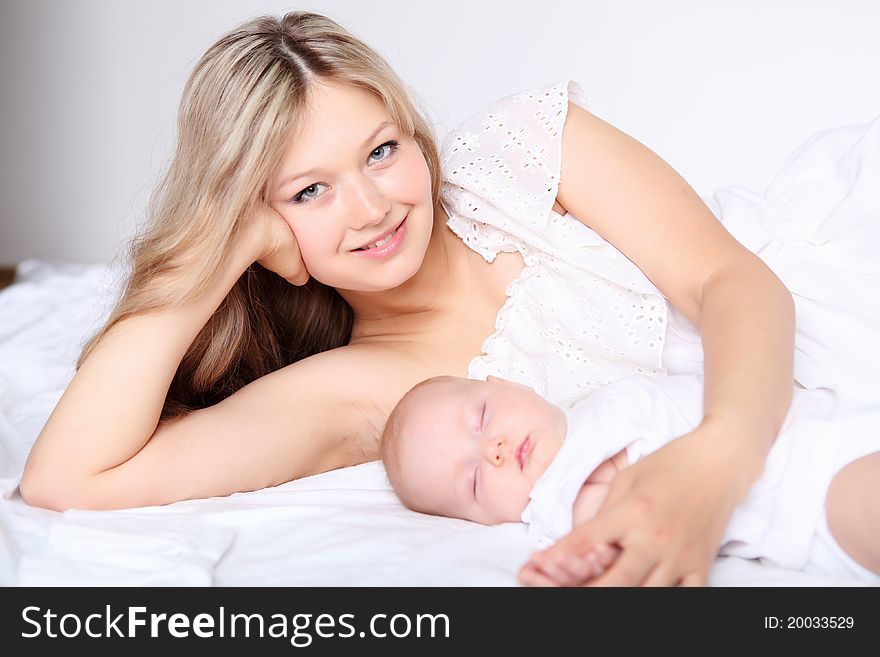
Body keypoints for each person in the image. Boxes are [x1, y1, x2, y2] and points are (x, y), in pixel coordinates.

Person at [16, 10, 877, 587]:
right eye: (309, 192)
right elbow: (67, 477)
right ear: (262, 225)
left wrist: (718, 461)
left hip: (833, 282)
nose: (373, 206)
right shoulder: (358, 394)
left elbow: (730, 280)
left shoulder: (520, 151)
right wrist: (215, 252)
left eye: (381, 150)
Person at [380, 374, 880, 585]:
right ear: (481, 520)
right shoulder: (556, 506)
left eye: (483, 416)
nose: (493, 450)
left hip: (832, 420)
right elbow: (618, 528)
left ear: (505, 382)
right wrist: (578, 564)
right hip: (810, 495)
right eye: (471, 481)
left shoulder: (605, 397)